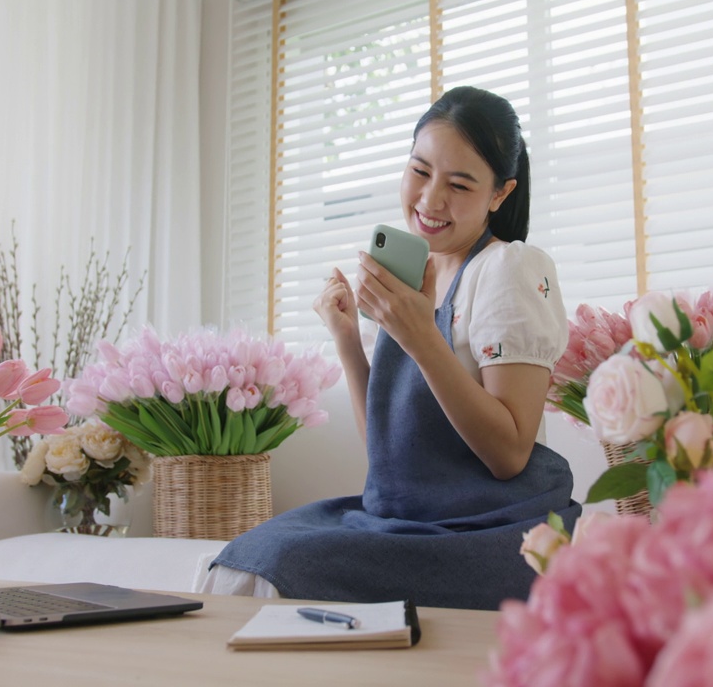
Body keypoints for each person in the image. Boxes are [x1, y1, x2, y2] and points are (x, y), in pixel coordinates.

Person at [204, 86, 581, 610]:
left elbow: (510, 454)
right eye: (420, 171)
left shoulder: (508, 269)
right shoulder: (415, 276)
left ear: (500, 194)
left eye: (460, 184)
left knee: (272, 575)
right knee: (240, 560)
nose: (430, 200)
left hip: (487, 527)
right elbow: (388, 448)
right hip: (406, 516)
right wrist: (348, 340)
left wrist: (420, 334)